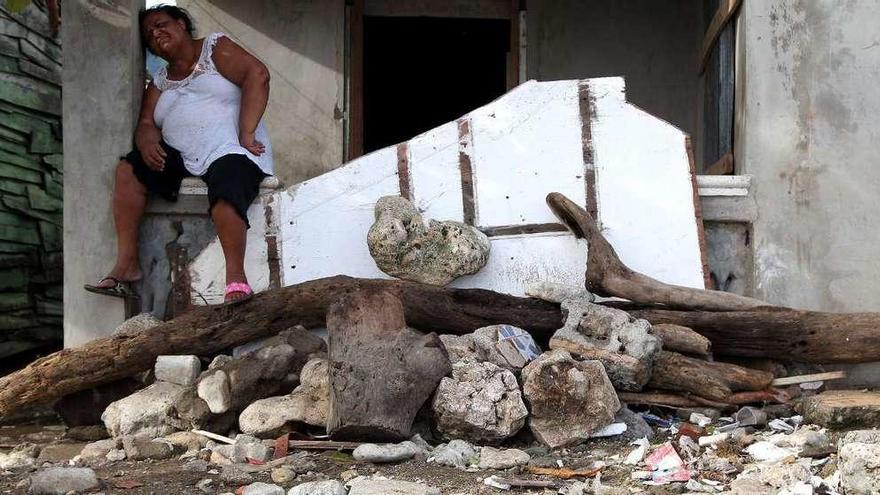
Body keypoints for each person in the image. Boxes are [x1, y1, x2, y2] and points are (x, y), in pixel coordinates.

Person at [84, 5, 272, 305]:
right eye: (149, 35)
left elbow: (257, 74)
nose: (156, 34)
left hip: (230, 149)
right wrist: (146, 142)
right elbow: (146, 123)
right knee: (128, 171)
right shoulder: (159, 81)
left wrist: (246, 132)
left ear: (182, 24)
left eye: (161, 25)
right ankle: (127, 265)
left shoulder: (215, 49)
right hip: (183, 157)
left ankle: (236, 280)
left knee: (226, 190)